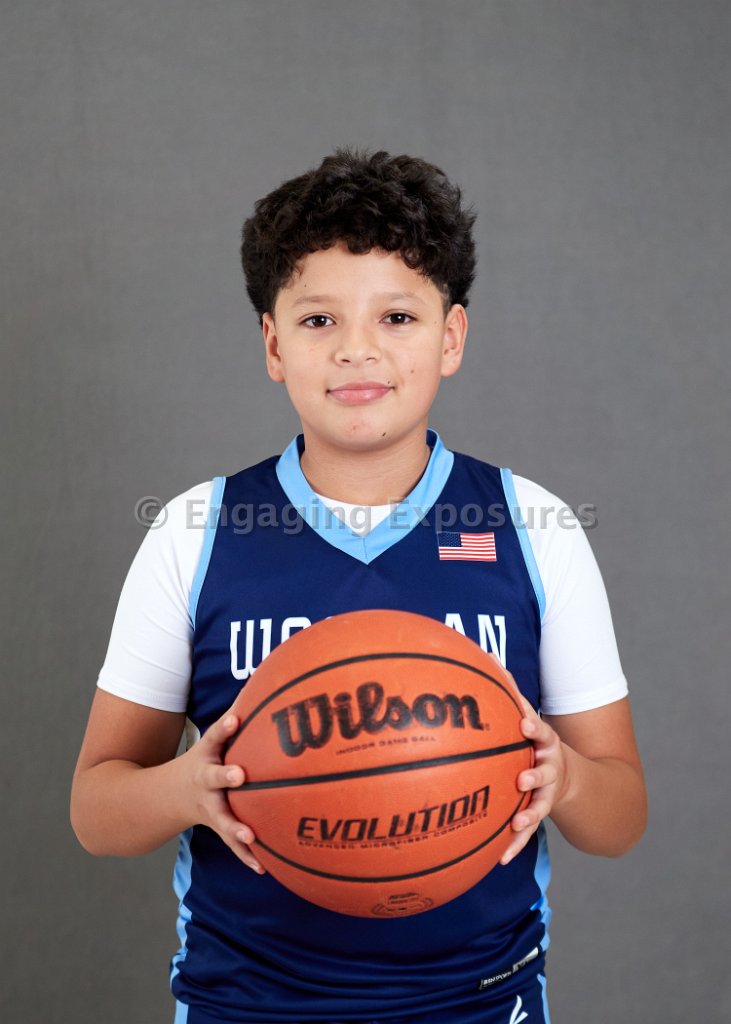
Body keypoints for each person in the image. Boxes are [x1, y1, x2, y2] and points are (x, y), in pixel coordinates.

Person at [71, 149, 647, 1024]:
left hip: (479, 1002)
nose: (356, 350)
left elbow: (620, 817)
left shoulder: (533, 528)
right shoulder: (196, 532)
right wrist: (186, 788)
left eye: (398, 316)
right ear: (273, 344)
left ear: (451, 338)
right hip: (247, 1004)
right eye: (317, 320)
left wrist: (563, 781)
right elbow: (95, 810)